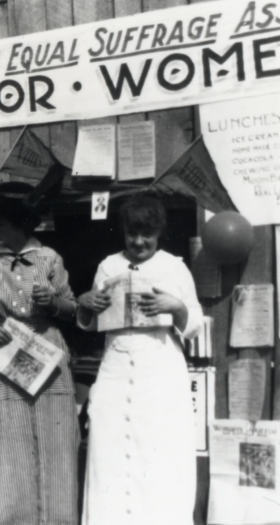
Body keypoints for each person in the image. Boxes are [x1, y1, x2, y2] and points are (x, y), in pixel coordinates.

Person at [77, 192, 203, 525]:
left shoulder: (174, 267)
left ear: (158, 232)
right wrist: (87, 303)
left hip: (159, 369)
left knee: (157, 454)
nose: (138, 241)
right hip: (116, 367)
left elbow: (193, 326)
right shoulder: (109, 265)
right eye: (132, 233)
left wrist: (175, 306)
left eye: (146, 233)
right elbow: (91, 323)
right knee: (110, 454)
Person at [0, 182, 80, 525]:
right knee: (8, 444)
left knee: (55, 443)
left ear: (18, 223)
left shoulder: (49, 259)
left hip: (48, 356)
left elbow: (73, 308)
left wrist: (54, 303)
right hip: (6, 355)